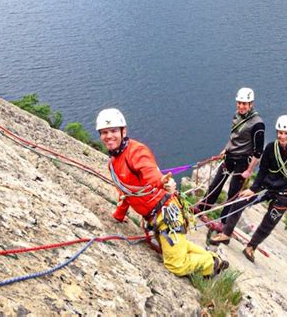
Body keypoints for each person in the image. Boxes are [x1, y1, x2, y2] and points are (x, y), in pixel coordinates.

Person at [96, 108, 228, 277]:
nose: (109, 136)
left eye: (113, 131)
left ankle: (211, 264)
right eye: (104, 132)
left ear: (123, 131)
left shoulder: (136, 151)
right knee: (175, 247)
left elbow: (150, 172)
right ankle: (210, 257)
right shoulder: (113, 164)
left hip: (166, 214)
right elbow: (126, 193)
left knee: (175, 265)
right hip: (155, 216)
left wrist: (162, 182)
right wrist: (119, 215)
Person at [209, 115, 287, 263]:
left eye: (286, 133)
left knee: (269, 222)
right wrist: (253, 189)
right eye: (280, 132)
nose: (283, 136)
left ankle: (251, 247)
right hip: (266, 188)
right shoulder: (270, 148)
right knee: (239, 202)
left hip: (284, 194)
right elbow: (262, 171)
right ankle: (226, 234)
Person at [196, 87, 265, 223]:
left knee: (233, 192)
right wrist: (225, 149)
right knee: (216, 184)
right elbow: (234, 135)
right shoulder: (237, 115)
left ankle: (224, 221)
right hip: (229, 157)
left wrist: (249, 170)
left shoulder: (258, 124)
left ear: (251, 104)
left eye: (244, 104)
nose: (241, 106)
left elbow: (258, 151)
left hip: (243, 161)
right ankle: (202, 209)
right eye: (239, 103)